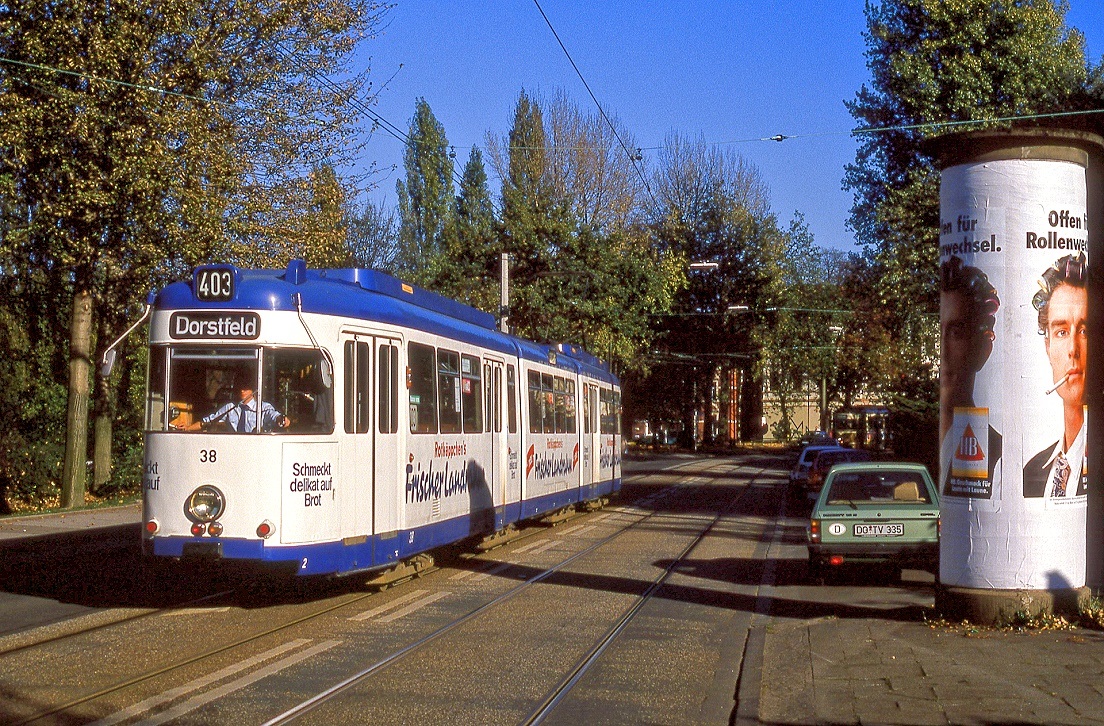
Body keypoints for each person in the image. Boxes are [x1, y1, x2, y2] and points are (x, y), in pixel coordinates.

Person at [1023, 252, 1088, 499]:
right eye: (1061, 332)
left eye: (1084, 330)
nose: (1073, 349)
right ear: (1047, 346)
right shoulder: (1033, 471)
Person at [939, 256, 1001, 493]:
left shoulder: (998, 455)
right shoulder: (912, 448)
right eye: (938, 331)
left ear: (983, 350)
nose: (942, 350)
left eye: (956, 333)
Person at [183, 384, 289, 432]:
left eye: (246, 388)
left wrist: (282, 420)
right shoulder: (230, 407)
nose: (242, 391)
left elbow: (275, 416)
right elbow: (208, 421)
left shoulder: (264, 407)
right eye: (240, 388)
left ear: (254, 391)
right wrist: (188, 428)